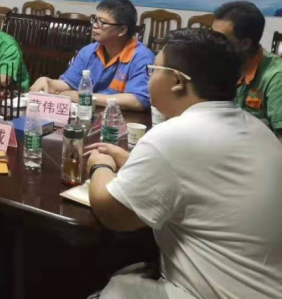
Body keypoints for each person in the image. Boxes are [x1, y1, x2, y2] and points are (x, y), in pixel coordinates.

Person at [86, 29, 282, 299]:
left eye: (154, 70)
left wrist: (101, 165)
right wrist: (132, 162)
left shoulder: (172, 137)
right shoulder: (258, 129)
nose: (149, 78)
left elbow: (113, 214)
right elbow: (201, 180)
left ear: (177, 81)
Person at [31, 0, 154, 111]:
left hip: (121, 120)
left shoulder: (142, 58)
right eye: (95, 20)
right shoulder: (88, 51)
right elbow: (69, 83)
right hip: (89, 115)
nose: (95, 26)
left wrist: (87, 97)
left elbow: (138, 101)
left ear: (122, 30)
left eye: (102, 22)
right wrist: (48, 82)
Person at [212, 0, 282, 142]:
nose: (213, 44)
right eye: (212, 36)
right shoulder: (215, 62)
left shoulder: (276, 77)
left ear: (245, 44)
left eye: (221, 39)